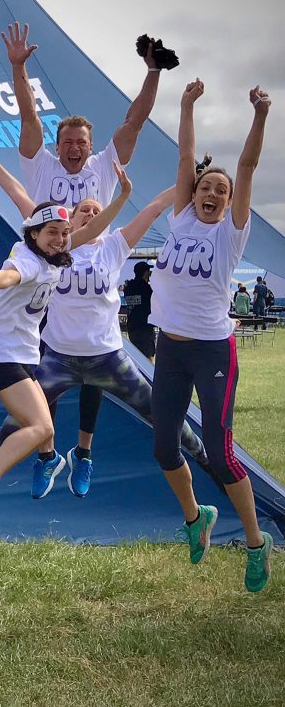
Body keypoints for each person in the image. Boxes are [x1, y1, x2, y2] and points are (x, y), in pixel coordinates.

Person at [0, 133, 215, 500]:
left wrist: (190, 177)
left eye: (98, 211)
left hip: (107, 358)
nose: (91, 213)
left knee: (160, 415)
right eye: (85, 210)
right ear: (73, 222)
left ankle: (207, 460)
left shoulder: (114, 247)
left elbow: (155, 208)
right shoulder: (57, 249)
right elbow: (20, 196)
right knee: (17, 422)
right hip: (58, 357)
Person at [1, 22, 171, 486]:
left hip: (96, 272)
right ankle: (46, 453)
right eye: (68, 144)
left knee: (94, 366)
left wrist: (153, 72)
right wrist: (19, 68)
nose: (75, 149)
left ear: (92, 148)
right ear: (58, 149)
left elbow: (133, 122)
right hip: (51, 278)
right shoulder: (42, 168)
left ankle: (85, 453)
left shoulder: (104, 168)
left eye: (82, 143)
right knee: (48, 371)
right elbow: (29, 118)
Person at [0, 163, 131, 527]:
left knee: (42, 429)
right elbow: (10, 276)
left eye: (64, 232)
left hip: (22, 355)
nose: (61, 239)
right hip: (1, 356)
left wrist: (123, 196)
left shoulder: (56, 255)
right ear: (33, 234)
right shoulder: (28, 259)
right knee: (39, 428)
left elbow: (90, 226)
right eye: (52, 233)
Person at [148, 81, 272, 592]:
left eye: (221, 192)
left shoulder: (230, 233)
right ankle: (197, 515)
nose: (214, 194)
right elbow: (183, 155)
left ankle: (254, 542)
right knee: (163, 447)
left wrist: (260, 116)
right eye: (207, 188)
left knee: (220, 454)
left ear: (228, 203)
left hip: (212, 350)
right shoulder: (178, 220)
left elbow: (245, 168)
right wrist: (184, 104)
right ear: (193, 193)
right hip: (169, 348)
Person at [123, 260, 157, 361]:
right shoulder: (146, 288)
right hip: (145, 327)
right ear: (146, 272)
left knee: (135, 357)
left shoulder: (128, 287)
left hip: (132, 326)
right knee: (147, 357)